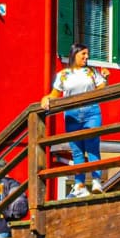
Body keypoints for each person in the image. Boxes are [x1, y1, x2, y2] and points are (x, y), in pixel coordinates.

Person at [42, 44, 109, 197]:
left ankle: (97, 182)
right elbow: (55, 94)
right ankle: (79, 185)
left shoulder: (92, 72)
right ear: (74, 54)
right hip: (71, 114)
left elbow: (101, 89)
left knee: (92, 146)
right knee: (77, 151)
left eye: (87, 54)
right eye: (83, 54)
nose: (87, 57)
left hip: (91, 111)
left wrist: (105, 78)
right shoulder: (63, 74)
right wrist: (45, 99)